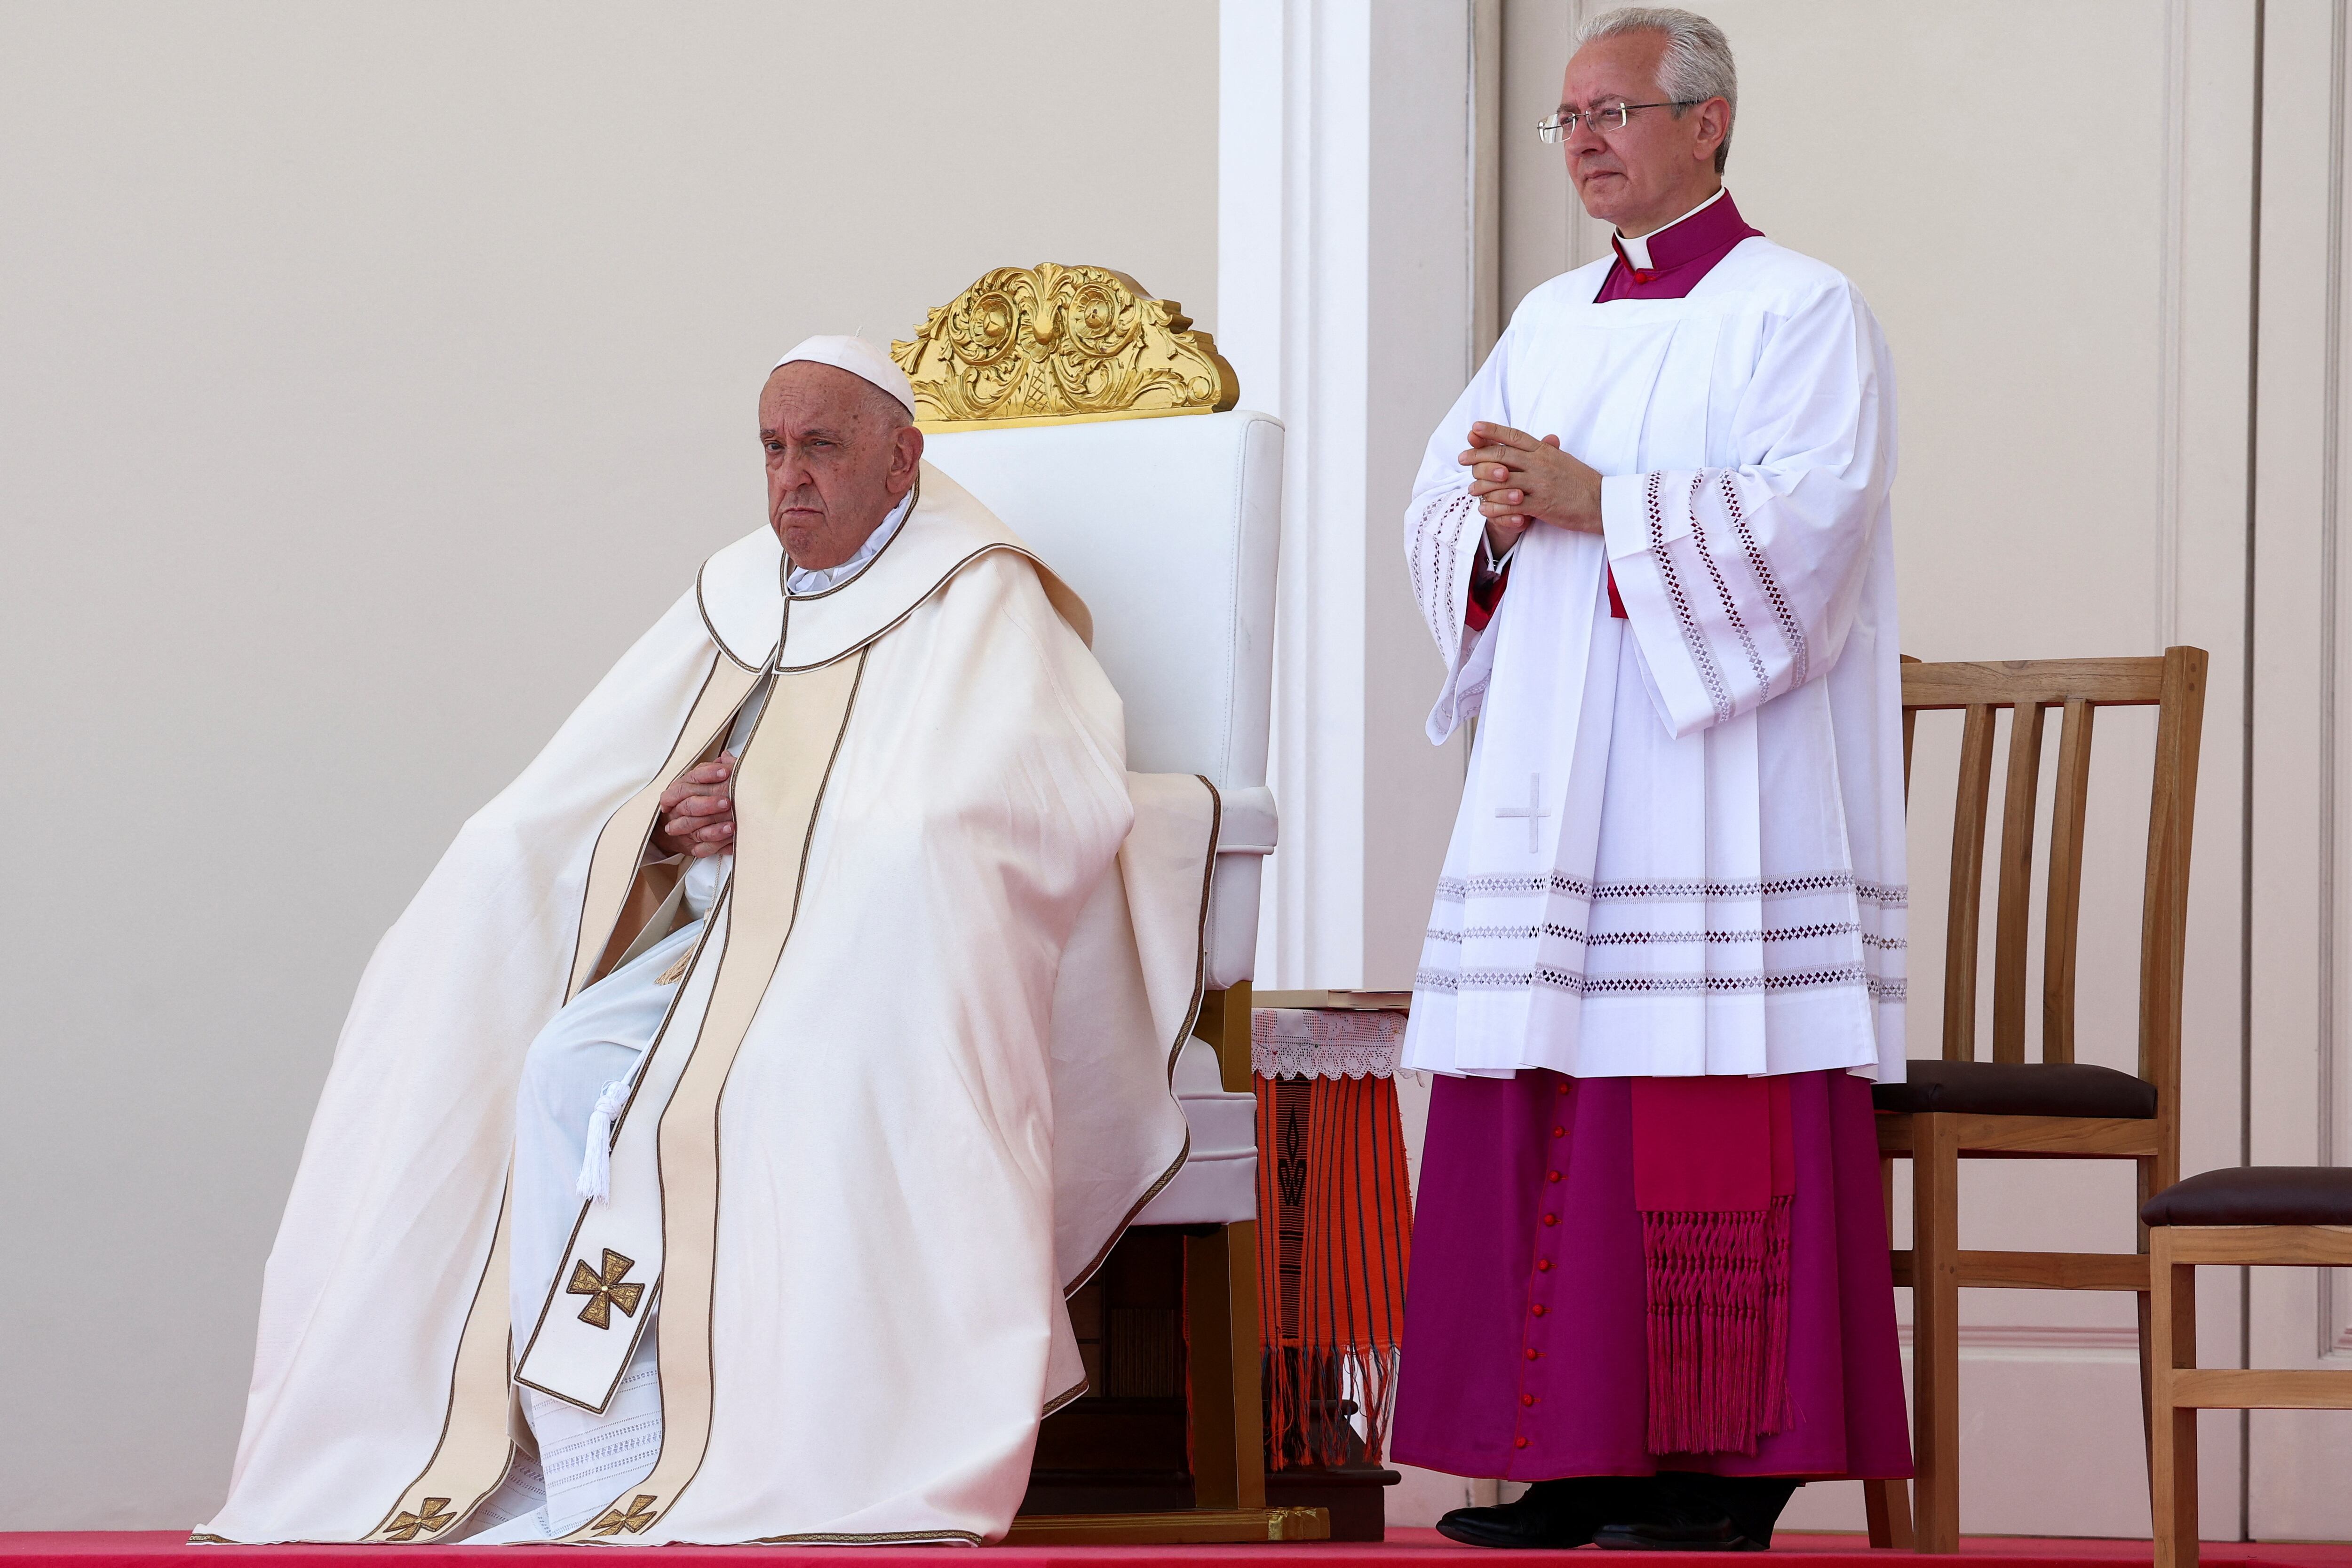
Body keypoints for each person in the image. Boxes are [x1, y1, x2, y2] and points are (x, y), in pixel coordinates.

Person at [198, 337, 1216, 1546]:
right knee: (565, 1065)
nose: (790, 478)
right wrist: (669, 822)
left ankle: (799, 1440)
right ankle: (606, 1441)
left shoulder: (981, 590)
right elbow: (611, 787)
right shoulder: (740, 590)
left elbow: (1009, 797)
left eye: (822, 447)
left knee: (762, 1077)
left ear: (904, 459)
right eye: (773, 448)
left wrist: (790, 813)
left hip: (880, 956)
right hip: (728, 940)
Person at [1393, 8, 1912, 1551]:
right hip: (1564, 778)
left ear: (1711, 125)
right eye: (1569, 120)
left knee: (1700, 1105)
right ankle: (1572, 1459)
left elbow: (1808, 531)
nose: (1587, 142)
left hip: (1716, 788)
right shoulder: (1549, 318)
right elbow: (1442, 507)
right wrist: (1488, 519)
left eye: (1614, 111)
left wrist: (1596, 501)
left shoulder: (1802, 311)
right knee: (1545, 1090)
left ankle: (1724, 1466)